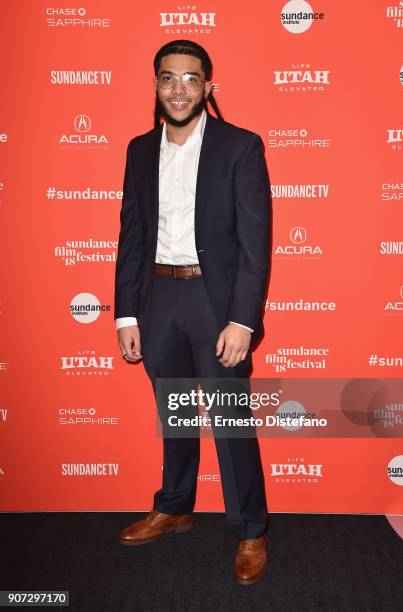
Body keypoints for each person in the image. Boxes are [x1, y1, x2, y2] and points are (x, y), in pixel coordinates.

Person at [114, 39, 271, 586]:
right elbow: (131, 237)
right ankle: (176, 505)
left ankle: (250, 529)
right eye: (167, 78)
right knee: (175, 414)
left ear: (207, 86)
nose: (178, 89)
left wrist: (242, 319)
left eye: (190, 78)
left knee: (229, 420)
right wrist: (126, 314)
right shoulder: (138, 150)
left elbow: (256, 243)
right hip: (158, 298)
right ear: (155, 84)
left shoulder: (240, 147)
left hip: (215, 304)